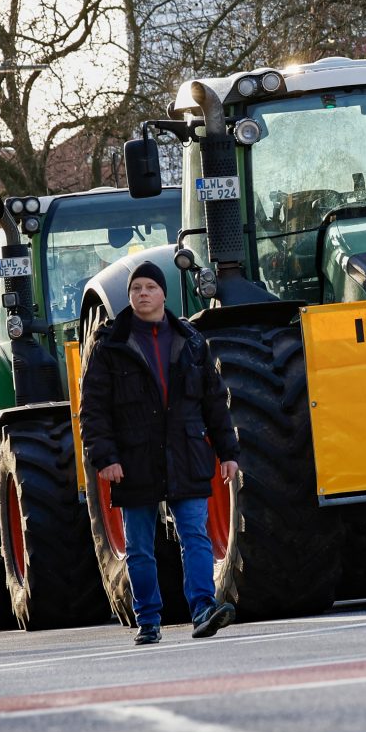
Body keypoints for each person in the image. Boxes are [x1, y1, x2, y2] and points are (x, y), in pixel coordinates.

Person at [79, 264, 240, 644]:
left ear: (164, 294)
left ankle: (203, 608)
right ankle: (148, 619)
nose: (143, 294)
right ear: (130, 296)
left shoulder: (192, 341)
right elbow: (94, 409)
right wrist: (106, 458)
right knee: (139, 546)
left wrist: (228, 452)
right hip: (134, 459)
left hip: (186, 452)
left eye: (150, 287)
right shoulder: (110, 346)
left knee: (195, 536)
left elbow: (214, 402)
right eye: (136, 288)